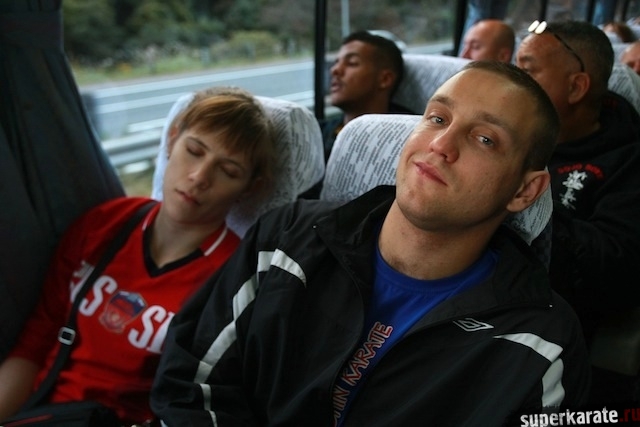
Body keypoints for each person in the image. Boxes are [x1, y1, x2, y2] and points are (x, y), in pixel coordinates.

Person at [150, 61, 591, 427]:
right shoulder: (287, 239)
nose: (441, 145)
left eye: (485, 139)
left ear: (524, 191)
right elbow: (192, 382)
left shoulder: (541, 344)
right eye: (437, 118)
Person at [0, 87, 276, 425]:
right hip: (43, 411)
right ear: (172, 140)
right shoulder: (103, 226)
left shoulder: (232, 283)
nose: (199, 177)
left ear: (249, 188)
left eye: (228, 171)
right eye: (194, 151)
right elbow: (34, 347)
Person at [516, 20, 640, 405]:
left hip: (544, 326)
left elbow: (614, 265)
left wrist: (523, 201)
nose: (512, 83)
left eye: (527, 71)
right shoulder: (508, 136)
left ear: (576, 87)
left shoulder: (627, 161)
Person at [321, 30, 407, 162]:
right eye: (336, 62)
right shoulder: (318, 133)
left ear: (385, 79)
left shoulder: (405, 140)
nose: (335, 70)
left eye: (352, 63)